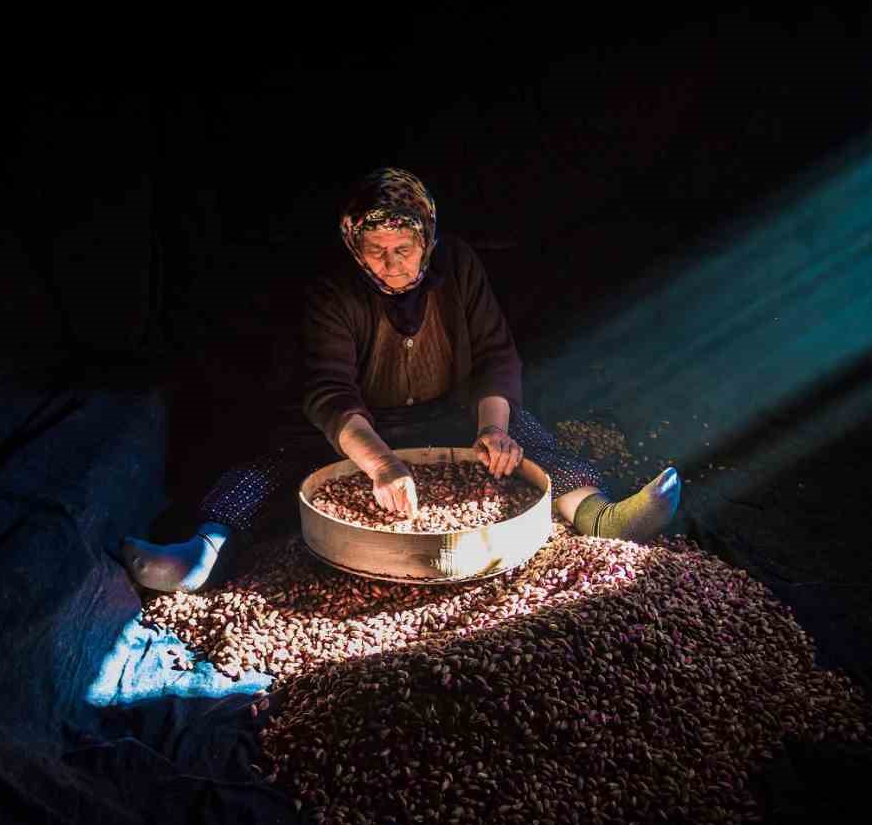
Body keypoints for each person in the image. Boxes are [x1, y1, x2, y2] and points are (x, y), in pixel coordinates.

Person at [121, 167, 680, 593]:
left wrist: (492, 429)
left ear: (428, 243)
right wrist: (382, 464)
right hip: (356, 427)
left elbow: (495, 354)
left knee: (531, 442)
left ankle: (603, 516)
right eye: (376, 250)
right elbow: (330, 392)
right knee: (263, 471)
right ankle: (202, 553)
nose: (390, 264)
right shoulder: (333, 292)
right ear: (352, 245)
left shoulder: (458, 267)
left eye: (403, 250)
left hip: (447, 411)